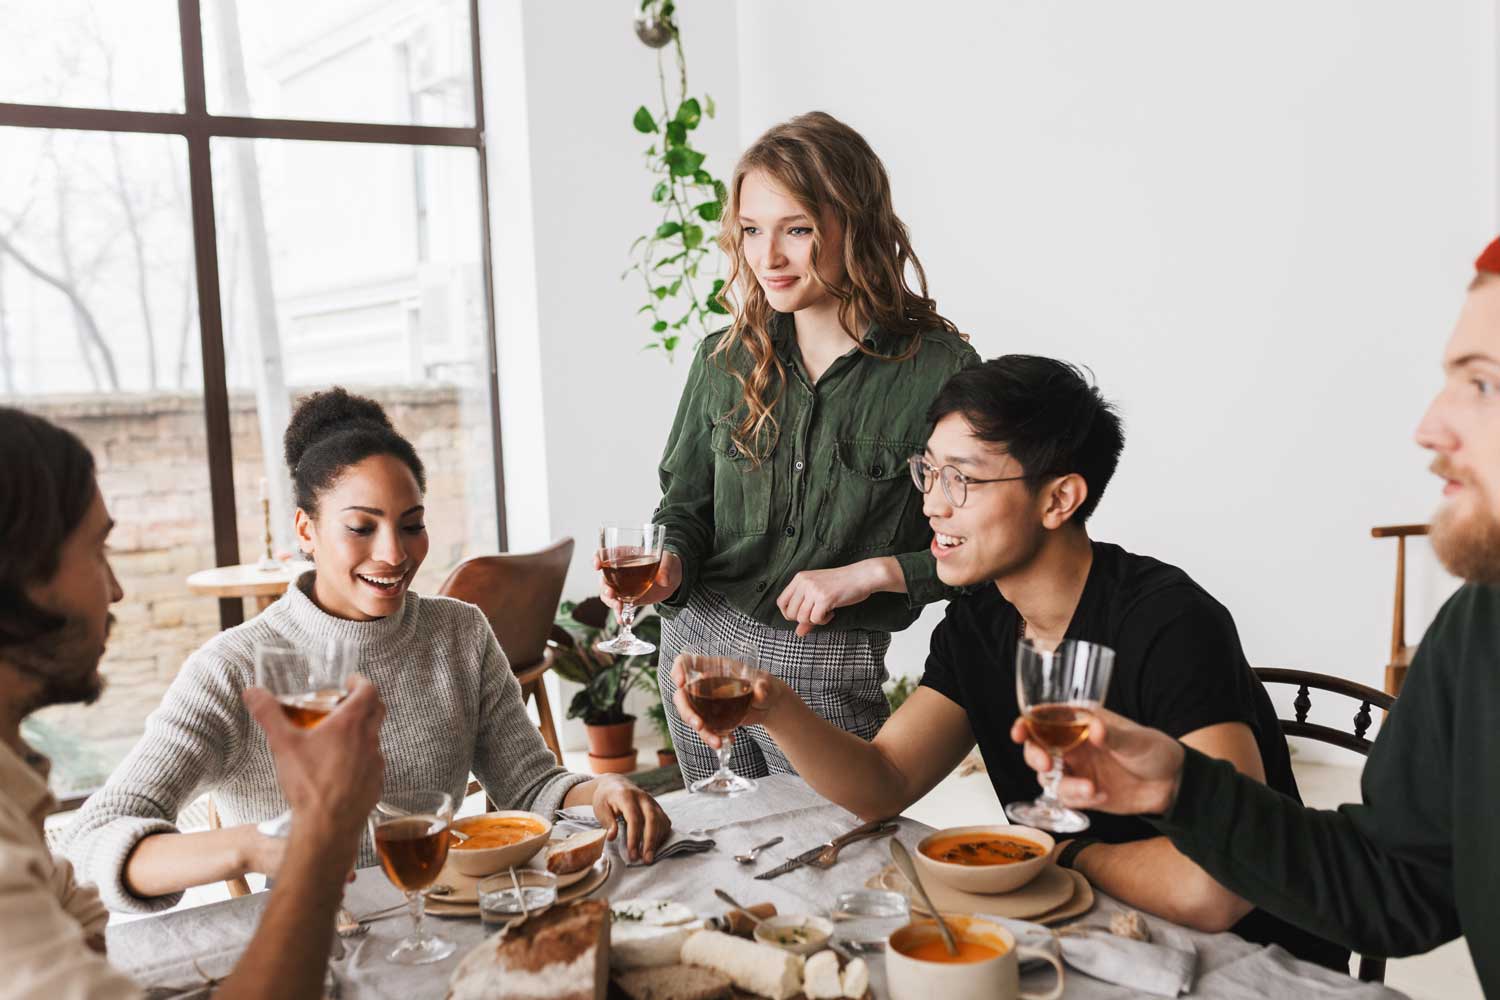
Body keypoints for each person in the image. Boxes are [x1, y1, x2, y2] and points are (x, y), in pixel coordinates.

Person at [673, 355, 1346, 969]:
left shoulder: (1171, 624)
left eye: (962, 478)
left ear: (1059, 499)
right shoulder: (980, 619)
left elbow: (1216, 888)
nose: (932, 503)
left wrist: (1062, 857)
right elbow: (884, 780)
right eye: (929, 470)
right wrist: (777, 706)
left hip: (1253, 961)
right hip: (1092, 934)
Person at [1010, 239, 1500, 994]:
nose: (1430, 427)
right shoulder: (1481, 627)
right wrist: (1182, 788)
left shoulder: (1169, 615)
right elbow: (1399, 882)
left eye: (1483, 384)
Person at [65, 388, 670, 915]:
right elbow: (92, 842)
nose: (395, 554)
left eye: (411, 524)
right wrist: (251, 846)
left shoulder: (459, 632)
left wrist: (603, 792)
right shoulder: (234, 667)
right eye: (361, 527)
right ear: (306, 530)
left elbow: (530, 785)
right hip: (314, 943)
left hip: (443, 921)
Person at [602, 110, 980, 783]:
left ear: (855, 227)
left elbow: (985, 538)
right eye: (751, 231)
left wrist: (870, 574)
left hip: (823, 663)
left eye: (797, 230)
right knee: (721, 848)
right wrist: (670, 565)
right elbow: (684, 506)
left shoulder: (940, 372)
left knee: (842, 852)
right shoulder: (722, 360)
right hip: (698, 645)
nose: (767, 257)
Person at [0, 406, 387, 999]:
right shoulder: (234, 664)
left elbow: (82, 932)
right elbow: (92, 842)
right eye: (97, 551)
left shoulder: (14, 786)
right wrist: (313, 830)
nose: (118, 590)